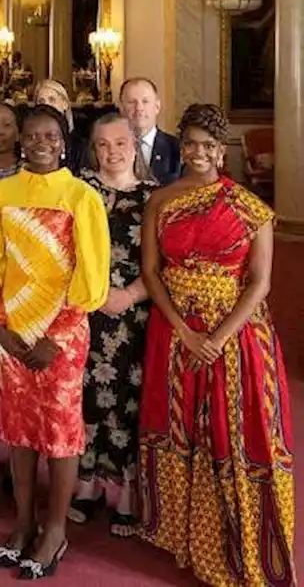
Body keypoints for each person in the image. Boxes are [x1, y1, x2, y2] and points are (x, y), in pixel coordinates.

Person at [136, 104, 293, 587]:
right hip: (175, 330)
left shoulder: (250, 207)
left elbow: (260, 282)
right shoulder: (160, 200)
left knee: (234, 432)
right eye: (191, 144)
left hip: (238, 336)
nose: (199, 152)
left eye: (209, 145)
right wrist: (185, 331)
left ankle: (240, 545)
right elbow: (150, 271)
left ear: (220, 150)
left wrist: (219, 337)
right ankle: (187, 540)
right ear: (180, 147)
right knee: (183, 429)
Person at [0, 104, 110, 578]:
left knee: (59, 432)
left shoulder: (81, 197)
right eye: (31, 136)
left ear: (64, 139)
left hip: (62, 336)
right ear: (20, 141)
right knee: (19, 430)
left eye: (50, 136)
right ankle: (24, 521)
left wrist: (57, 334)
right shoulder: (1, 194)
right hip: (13, 335)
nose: (39, 143)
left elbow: (92, 276)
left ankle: (55, 529)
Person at [72, 113, 155, 536]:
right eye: (102, 144)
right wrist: (92, 293)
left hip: (134, 311)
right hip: (84, 309)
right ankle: (84, 486)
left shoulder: (153, 197)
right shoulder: (79, 190)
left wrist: (130, 295)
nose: (111, 152)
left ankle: (126, 492)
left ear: (134, 144)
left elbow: (162, 263)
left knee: (127, 399)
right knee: (86, 396)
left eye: (120, 143)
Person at [118, 77, 181, 185]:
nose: (139, 108)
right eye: (132, 102)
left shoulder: (176, 148)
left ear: (157, 106)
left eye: (145, 101)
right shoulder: (109, 149)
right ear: (121, 108)